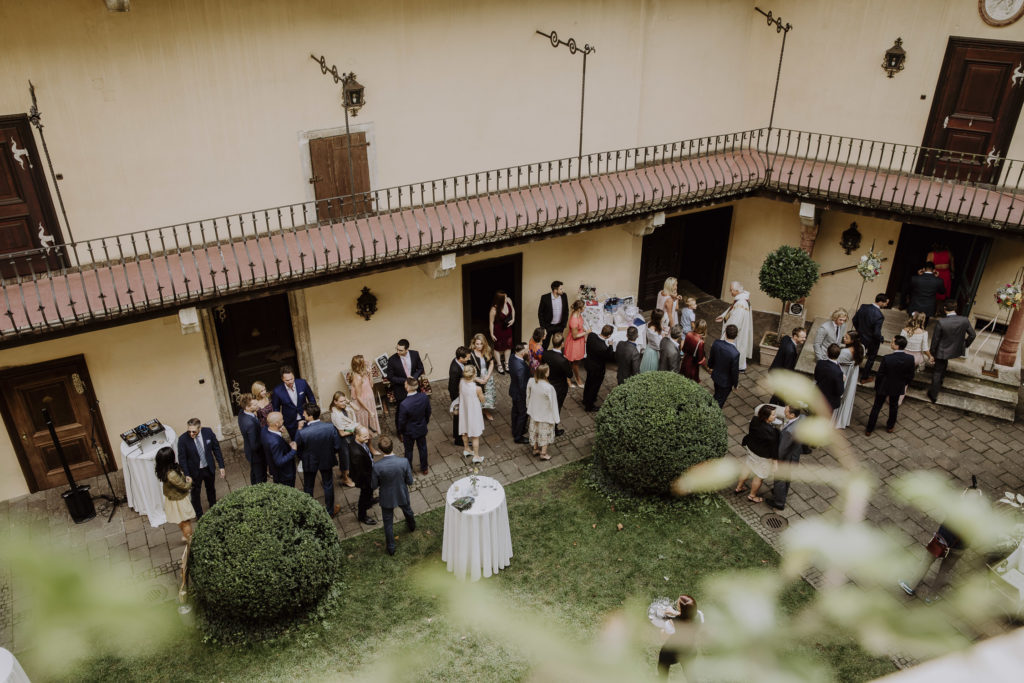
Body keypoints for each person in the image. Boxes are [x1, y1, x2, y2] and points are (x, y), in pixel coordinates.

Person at [370, 436, 416, 556]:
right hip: (401, 492)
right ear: (392, 446)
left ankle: (391, 547)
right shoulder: (403, 462)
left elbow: (374, 485)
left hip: (386, 496)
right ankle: (412, 526)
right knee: (408, 510)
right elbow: (410, 481)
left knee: (388, 523)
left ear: (380, 450)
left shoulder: (377, 466)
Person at [295, 404, 342, 516]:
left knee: (308, 486)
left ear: (310, 416)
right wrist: (328, 453)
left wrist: (299, 429)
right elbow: (337, 446)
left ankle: (310, 512)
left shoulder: (302, 432)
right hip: (326, 459)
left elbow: (297, 448)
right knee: (328, 484)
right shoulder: (330, 427)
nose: (303, 415)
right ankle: (330, 511)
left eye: (304, 413)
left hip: (309, 461)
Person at [865, 336, 916, 435]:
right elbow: (911, 375)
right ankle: (890, 426)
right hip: (897, 386)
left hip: (884, 385)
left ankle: (869, 429)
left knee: (877, 407)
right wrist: (903, 384)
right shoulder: (910, 358)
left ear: (897, 346)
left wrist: (877, 386)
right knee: (894, 406)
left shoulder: (887, 358)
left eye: (892, 342)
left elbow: (880, 374)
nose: (891, 343)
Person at [928, 299, 976, 403]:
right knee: (943, 365)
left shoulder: (942, 322)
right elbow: (972, 335)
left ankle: (933, 395)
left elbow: (935, 340)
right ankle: (940, 381)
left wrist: (932, 353)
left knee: (937, 371)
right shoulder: (964, 320)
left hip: (941, 351)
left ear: (945, 309)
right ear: (955, 308)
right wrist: (965, 345)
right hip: (955, 349)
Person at [176, 417, 225, 518]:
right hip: (194, 472)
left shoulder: (208, 432)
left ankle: (213, 508)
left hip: (208, 467)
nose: (191, 434)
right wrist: (187, 474)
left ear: (199, 428)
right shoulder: (182, 440)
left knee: (211, 489)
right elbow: (182, 459)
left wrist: (221, 466)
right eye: (189, 431)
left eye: (194, 431)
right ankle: (199, 515)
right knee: (195, 494)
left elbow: (216, 449)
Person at [734, 405, 779, 504]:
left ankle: (739, 487)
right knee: (759, 476)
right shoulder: (772, 432)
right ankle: (752, 496)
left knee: (747, 467)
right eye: (773, 415)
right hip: (762, 456)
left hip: (751, 449)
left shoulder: (755, 420)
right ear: (766, 416)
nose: (775, 416)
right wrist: (775, 463)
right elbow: (774, 449)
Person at [154, 446, 196, 544]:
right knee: (186, 521)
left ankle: (186, 535)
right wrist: (190, 481)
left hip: (172, 498)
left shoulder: (163, 471)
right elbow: (184, 486)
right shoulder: (171, 474)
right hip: (179, 499)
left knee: (180, 520)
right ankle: (189, 539)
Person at [657, 595, 700, 679]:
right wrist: (674, 612)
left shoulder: (670, 624)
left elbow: (664, 637)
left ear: (681, 609)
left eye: (678, 604)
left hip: (672, 653)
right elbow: (687, 617)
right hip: (689, 651)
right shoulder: (698, 617)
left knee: (662, 669)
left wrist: (662, 631)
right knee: (690, 673)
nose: (676, 604)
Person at [770, 405, 804, 511]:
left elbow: (782, 449)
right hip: (794, 455)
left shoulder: (789, 431)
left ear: (793, 415)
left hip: (786, 458)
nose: (784, 412)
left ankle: (779, 502)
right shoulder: (802, 418)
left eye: (786, 412)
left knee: (779, 479)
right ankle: (782, 492)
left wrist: (776, 460)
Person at [386, 339, 424, 430]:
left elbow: (420, 368)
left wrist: (413, 377)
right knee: (400, 411)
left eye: (400, 350)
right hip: (400, 389)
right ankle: (400, 431)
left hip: (414, 387)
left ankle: (416, 426)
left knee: (416, 408)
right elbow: (390, 377)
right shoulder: (392, 359)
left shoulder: (415, 354)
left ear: (407, 349)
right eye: (397, 349)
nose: (398, 352)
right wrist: (405, 380)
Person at [715, 282, 753, 371]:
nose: (730, 291)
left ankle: (739, 366)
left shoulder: (742, 303)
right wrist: (723, 316)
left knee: (738, 346)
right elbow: (732, 308)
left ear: (737, 290)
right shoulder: (741, 298)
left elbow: (736, 320)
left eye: (731, 290)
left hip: (738, 330)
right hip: (740, 327)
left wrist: (728, 329)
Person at [397, 377, 431, 475]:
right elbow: (428, 412)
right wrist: (424, 422)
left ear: (407, 387)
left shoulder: (404, 404)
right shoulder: (424, 397)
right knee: (423, 448)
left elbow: (401, 421)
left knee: (408, 451)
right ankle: (424, 468)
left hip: (409, 432)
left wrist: (401, 431)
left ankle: (408, 470)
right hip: (421, 428)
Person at [526, 364, 560, 461]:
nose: (549, 372)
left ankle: (535, 449)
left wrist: (528, 406)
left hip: (534, 412)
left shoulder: (531, 381)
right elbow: (553, 404)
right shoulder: (549, 388)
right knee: (544, 433)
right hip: (545, 414)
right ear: (545, 373)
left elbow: (527, 395)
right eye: (548, 371)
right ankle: (543, 453)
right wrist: (556, 418)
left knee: (535, 431)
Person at [540, 333, 572, 436]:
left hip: (547, 383)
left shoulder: (545, 353)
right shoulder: (563, 361)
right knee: (556, 407)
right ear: (562, 344)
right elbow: (570, 375)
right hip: (559, 387)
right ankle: (553, 429)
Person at [271, 365, 315, 439]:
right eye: (287, 380)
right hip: (290, 422)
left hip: (306, 417)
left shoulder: (302, 383)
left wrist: (313, 414)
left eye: (292, 379)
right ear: (282, 379)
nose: (290, 382)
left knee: (311, 438)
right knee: (296, 440)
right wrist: (279, 424)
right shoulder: (277, 391)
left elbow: (311, 398)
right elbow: (276, 409)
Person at [853, 293, 888, 384]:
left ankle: (851, 373)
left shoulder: (863, 306)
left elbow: (854, 320)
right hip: (872, 340)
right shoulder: (879, 315)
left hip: (860, 336)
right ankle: (864, 378)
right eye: (885, 303)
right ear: (880, 302)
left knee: (856, 354)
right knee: (871, 358)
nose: (886, 305)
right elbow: (876, 333)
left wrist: (859, 330)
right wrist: (881, 338)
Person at [767, 327, 807, 405]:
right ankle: (772, 408)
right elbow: (787, 368)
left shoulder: (786, 338)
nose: (804, 339)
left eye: (805, 337)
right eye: (802, 337)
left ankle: (779, 406)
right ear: (795, 337)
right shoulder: (791, 351)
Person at [833, 332, 864, 429]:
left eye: (847, 337)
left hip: (842, 372)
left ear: (852, 341)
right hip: (851, 373)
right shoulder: (861, 348)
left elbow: (836, 361)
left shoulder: (845, 352)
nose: (844, 338)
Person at [349, 425, 378, 525]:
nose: (368, 438)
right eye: (364, 437)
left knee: (368, 494)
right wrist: (369, 482)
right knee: (364, 496)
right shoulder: (356, 454)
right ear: (357, 436)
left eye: (367, 435)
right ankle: (362, 516)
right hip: (365, 479)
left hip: (368, 472)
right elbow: (361, 473)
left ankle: (369, 500)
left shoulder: (357, 441)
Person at [582, 324, 615, 411]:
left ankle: (585, 399)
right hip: (597, 369)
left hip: (589, 364)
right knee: (594, 387)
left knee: (588, 383)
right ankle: (589, 406)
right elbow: (609, 356)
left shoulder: (592, 336)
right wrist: (611, 345)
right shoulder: (603, 348)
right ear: (609, 336)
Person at [329, 391, 358, 487]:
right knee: (345, 458)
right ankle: (345, 478)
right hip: (344, 439)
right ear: (335, 402)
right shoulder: (335, 415)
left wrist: (348, 402)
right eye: (341, 401)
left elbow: (357, 408)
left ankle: (344, 474)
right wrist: (354, 430)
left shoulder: (345, 406)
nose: (343, 403)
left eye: (344, 400)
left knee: (349, 457)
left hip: (349, 434)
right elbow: (341, 433)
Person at [458, 364, 486, 464]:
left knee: (464, 430)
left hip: (464, 410)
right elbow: (482, 400)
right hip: (473, 412)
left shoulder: (461, 382)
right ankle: (476, 456)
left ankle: (466, 449)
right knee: (475, 435)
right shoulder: (477, 389)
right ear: (474, 375)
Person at [237, 393, 267, 484]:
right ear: (247, 407)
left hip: (249, 451)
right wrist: (266, 437)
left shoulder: (241, 413)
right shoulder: (250, 424)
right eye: (254, 405)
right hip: (256, 455)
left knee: (254, 474)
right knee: (260, 478)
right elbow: (254, 445)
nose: (257, 405)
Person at [261, 411, 297, 488]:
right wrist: (293, 451)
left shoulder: (264, 430)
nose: (283, 421)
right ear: (276, 424)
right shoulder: (275, 442)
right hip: (284, 474)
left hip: (274, 470)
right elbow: (279, 461)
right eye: (282, 419)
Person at [708, 324, 740, 408]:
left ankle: (710, 407)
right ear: (736, 336)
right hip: (725, 382)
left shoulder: (716, 343)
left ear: (725, 334)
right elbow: (734, 371)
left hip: (716, 376)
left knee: (717, 394)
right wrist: (735, 384)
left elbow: (711, 357)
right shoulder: (735, 353)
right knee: (720, 400)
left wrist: (710, 367)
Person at [349, 354, 380, 434]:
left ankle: (369, 444)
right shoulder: (357, 378)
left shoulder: (363, 373)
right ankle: (365, 444)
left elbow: (371, 385)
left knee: (369, 423)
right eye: (364, 361)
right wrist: (369, 411)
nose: (366, 362)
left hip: (369, 401)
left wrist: (370, 374)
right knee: (365, 424)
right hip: (363, 404)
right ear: (360, 365)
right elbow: (359, 397)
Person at [448, 346, 472, 446]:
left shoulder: (461, 362)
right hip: (458, 395)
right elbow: (453, 388)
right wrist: (458, 400)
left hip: (463, 393)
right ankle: (458, 439)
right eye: (467, 357)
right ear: (460, 358)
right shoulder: (455, 369)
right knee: (458, 417)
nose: (469, 359)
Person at [470, 333, 497, 421]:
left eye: (481, 344)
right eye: (477, 344)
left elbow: (491, 363)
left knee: (486, 395)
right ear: (474, 343)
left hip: (486, 376)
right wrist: (477, 379)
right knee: (476, 396)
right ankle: (477, 411)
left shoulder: (487, 350)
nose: (479, 346)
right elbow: (468, 370)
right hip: (476, 377)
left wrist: (488, 376)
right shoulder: (471, 354)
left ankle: (485, 410)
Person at [508, 343, 531, 444]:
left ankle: (515, 429)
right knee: (522, 414)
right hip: (520, 394)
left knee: (515, 412)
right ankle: (518, 436)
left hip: (514, 390)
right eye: (527, 350)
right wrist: (527, 397)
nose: (529, 351)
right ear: (522, 353)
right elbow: (522, 386)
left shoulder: (513, 357)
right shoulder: (521, 368)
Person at [563, 299, 588, 388]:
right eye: (584, 307)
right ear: (579, 309)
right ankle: (576, 379)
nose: (585, 307)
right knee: (574, 363)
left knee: (575, 362)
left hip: (579, 342)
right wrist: (586, 332)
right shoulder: (574, 319)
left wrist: (583, 329)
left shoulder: (578, 314)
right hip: (574, 343)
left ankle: (569, 379)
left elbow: (579, 327)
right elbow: (574, 336)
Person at [489, 290, 516, 374]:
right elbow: (491, 322)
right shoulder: (494, 309)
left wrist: (513, 319)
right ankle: (499, 365)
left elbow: (513, 309)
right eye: (504, 297)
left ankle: (507, 363)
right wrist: (491, 333)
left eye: (506, 296)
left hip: (508, 329)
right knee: (498, 348)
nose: (506, 298)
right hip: (498, 330)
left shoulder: (509, 300)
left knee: (508, 346)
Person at [814, 343, 845, 415]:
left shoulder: (820, 363)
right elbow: (840, 391)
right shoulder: (838, 372)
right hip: (829, 402)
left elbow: (816, 377)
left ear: (827, 353)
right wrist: (843, 380)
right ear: (838, 355)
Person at [537, 280, 568, 350]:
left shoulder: (564, 296)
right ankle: (543, 360)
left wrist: (563, 324)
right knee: (544, 345)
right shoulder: (545, 298)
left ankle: (557, 360)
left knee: (559, 345)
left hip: (559, 326)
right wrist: (543, 327)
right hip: (548, 326)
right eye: (561, 289)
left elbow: (566, 310)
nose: (563, 290)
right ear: (555, 290)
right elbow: (540, 313)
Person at [639, 308, 667, 373]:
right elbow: (658, 345)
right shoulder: (652, 331)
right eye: (662, 317)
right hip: (652, 353)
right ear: (658, 319)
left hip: (652, 349)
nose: (663, 318)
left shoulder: (653, 323)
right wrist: (663, 337)